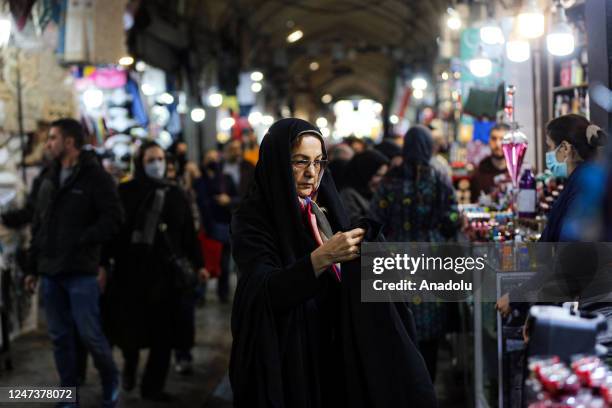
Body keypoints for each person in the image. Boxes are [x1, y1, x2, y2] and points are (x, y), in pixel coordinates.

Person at [230, 118, 436, 407]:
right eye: (300, 162)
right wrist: (323, 257)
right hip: (294, 357)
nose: (311, 173)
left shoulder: (321, 206)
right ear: (277, 163)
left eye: (318, 162)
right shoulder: (254, 218)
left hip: (334, 350)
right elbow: (263, 290)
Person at [23, 118, 122, 408]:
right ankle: (68, 395)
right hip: (51, 271)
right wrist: (31, 267)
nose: (48, 143)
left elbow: (114, 219)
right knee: (60, 338)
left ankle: (110, 381)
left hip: (81, 271)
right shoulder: (48, 177)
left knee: (90, 335)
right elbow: (38, 223)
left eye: (52, 138)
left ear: (69, 142)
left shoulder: (96, 178)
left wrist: (82, 239)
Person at [103, 141, 207, 401]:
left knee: (164, 336)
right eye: (150, 159)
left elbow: (187, 234)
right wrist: (103, 263)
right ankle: (130, 365)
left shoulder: (176, 193)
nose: (156, 164)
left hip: (166, 276)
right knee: (131, 330)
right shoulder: (125, 191)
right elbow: (113, 232)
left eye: (160, 158)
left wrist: (200, 264)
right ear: (140, 162)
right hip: (132, 273)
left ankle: (153, 387)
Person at [371, 125, 460, 382]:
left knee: (400, 329)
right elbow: (452, 217)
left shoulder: (390, 179)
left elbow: (375, 219)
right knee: (430, 336)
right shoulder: (437, 178)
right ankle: (427, 388)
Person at [496, 114, 608, 316]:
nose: (548, 154)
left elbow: (568, 260)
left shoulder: (584, 187)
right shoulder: (584, 180)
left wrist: (518, 297)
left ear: (565, 148)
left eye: (549, 147)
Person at [194, 149, 238, 303]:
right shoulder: (200, 181)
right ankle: (200, 294)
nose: (213, 161)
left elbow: (238, 198)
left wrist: (229, 201)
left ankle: (223, 293)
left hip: (223, 225)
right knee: (204, 262)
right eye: (209, 158)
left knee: (224, 264)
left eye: (215, 158)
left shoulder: (227, 179)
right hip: (206, 227)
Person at [339, 150, 389, 224]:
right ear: (364, 173)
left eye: (384, 176)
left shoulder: (377, 193)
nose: (382, 180)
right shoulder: (348, 195)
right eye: (377, 175)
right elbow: (356, 224)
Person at [470, 123, 510, 201]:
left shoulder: (518, 170)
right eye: (494, 139)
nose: (498, 144)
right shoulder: (480, 171)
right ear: (489, 141)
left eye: (502, 139)